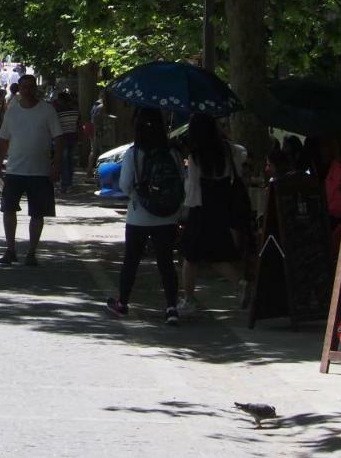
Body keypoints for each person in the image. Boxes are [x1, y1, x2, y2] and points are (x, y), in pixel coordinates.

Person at [106, 109, 185, 324]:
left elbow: (125, 184)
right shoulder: (173, 152)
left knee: (131, 260)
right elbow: (181, 181)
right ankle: (171, 307)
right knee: (166, 262)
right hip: (168, 216)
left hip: (139, 216)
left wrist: (139, 197)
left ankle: (122, 303)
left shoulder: (134, 153)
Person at [178, 112, 252, 315]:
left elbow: (192, 190)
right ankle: (239, 283)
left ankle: (189, 299)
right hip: (220, 209)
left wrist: (186, 212)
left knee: (190, 256)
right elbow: (242, 154)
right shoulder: (229, 151)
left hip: (200, 210)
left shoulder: (195, 156)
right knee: (214, 255)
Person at [0, 74, 63, 266]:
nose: (28, 90)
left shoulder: (47, 111)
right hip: (15, 169)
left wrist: (56, 164)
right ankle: (10, 249)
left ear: (36, 89)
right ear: (19, 89)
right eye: (24, 87)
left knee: (37, 213)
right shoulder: (12, 112)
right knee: (8, 210)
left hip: (40, 171)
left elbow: (59, 138)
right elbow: (3, 142)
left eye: (31, 87)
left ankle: (32, 252)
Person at [54, 89, 80, 193]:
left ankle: (64, 184)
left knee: (63, 162)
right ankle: (69, 183)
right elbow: (78, 124)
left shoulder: (59, 113)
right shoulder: (75, 111)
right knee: (70, 162)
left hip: (62, 139)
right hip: (73, 138)